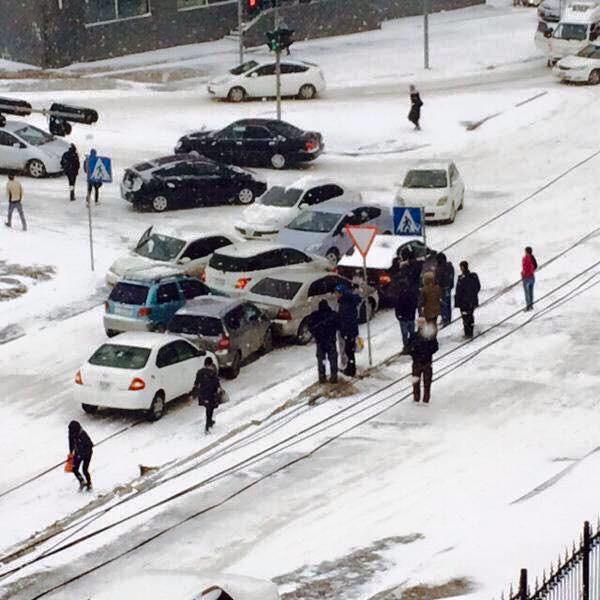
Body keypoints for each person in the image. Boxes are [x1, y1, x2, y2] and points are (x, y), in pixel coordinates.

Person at [406, 318, 439, 403]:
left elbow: (435, 347)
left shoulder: (429, 336)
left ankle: (425, 399)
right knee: (417, 382)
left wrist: (427, 352)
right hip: (419, 362)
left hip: (425, 362)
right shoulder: (414, 336)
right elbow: (407, 348)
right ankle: (417, 398)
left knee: (426, 382)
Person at [308, 299, 339, 384]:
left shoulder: (315, 316)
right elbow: (338, 324)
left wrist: (316, 334)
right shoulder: (333, 315)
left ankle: (322, 377)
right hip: (331, 340)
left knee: (321, 360)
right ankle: (334, 377)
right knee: (333, 359)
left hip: (320, 341)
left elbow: (310, 326)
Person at [336, 283, 361, 377]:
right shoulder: (347, 301)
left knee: (349, 350)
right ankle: (350, 368)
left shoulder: (345, 304)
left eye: (337, 292)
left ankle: (351, 369)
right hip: (351, 330)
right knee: (349, 350)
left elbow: (346, 319)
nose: (336, 294)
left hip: (348, 331)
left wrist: (343, 329)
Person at [193, 357, 221, 434]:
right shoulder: (212, 372)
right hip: (211, 393)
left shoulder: (199, 372)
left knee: (208, 408)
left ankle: (210, 422)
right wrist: (218, 389)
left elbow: (196, 383)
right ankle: (207, 426)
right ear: (211, 364)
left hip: (203, 394)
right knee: (210, 409)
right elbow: (216, 383)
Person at [454, 261, 481, 339]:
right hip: (471, 301)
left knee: (465, 317)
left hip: (464, 302)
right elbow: (478, 287)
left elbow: (458, 291)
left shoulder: (462, 278)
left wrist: (458, 301)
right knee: (469, 316)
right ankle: (470, 332)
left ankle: (467, 333)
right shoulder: (473, 276)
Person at [68, 420, 93, 490]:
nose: (71, 433)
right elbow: (71, 442)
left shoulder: (83, 435)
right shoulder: (71, 433)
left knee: (84, 470)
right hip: (78, 452)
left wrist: (82, 455)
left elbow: (90, 445)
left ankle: (89, 484)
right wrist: (71, 452)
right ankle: (82, 481)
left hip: (87, 453)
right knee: (74, 468)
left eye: (72, 432)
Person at [395, 278, 418, 353]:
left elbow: (398, 306)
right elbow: (414, 304)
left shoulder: (400, 295)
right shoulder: (411, 293)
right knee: (411, 332)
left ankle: (407, 347)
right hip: (410, 316)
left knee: (405, 334)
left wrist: (398, 316)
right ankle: (412, 346)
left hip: (404, 318)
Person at [435, 253, 455, 326]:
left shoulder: (440, 268)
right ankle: (447, 318)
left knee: (443, 304)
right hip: (448, 287)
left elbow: (438, 278)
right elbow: (451, 276)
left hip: (442, 288)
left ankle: (445, 318)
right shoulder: (449, 266)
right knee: (447, 303)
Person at [521, 246, 538, 311]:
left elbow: (524, 268)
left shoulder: (525, 258)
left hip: (526, 277)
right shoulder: (532, 257)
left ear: (526, 251)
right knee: (531, 292)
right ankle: (531, 306)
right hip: (532, 277)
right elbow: (535, 266)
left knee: (526, 292)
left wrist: (523, 274)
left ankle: (528, 307)